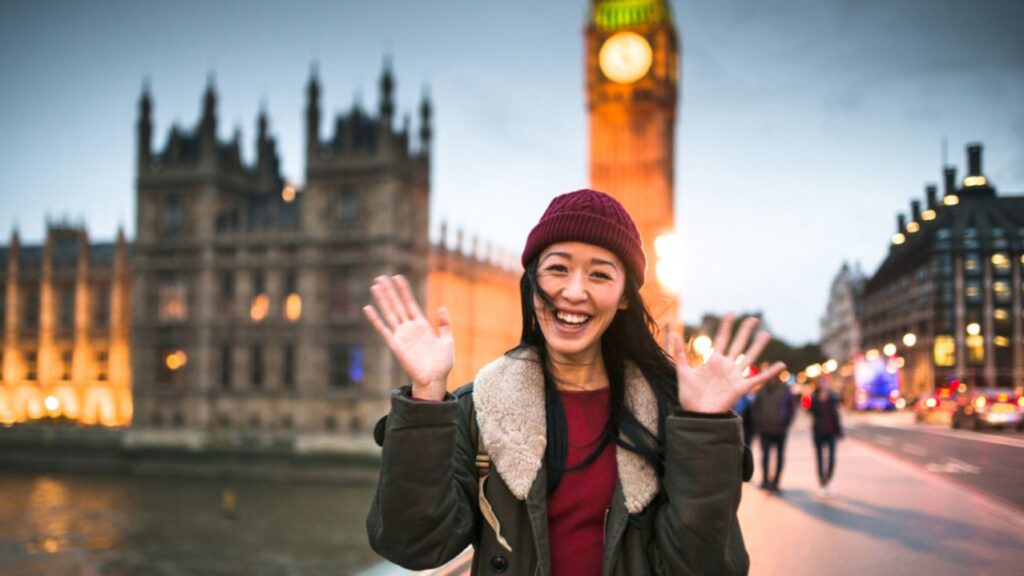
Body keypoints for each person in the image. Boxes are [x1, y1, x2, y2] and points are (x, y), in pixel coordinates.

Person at [363, 189, 785, 576]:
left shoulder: (670, 415)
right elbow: (413, 545)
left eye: (599, 275)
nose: (574, 291)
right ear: (531, 284)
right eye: (557, 269)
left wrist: (705, 427)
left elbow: (706, 568)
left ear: (624, 297)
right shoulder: (479, 409)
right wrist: (425, 400)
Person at [751, 374, 795, 492]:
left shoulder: (785, 390)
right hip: (765, 429)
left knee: (780, 456)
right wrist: (759, 423)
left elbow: (791, 408)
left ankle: (776, 481)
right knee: (765, 456)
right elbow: (755, 409)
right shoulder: (762, 390)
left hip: (780, 429)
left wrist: (786, 424)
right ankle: (765, 480)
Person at [808, 380, 843, 497]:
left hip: (831, 432)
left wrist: (839, 431)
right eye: (821, 384)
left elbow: (837, 414)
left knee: (832, 458)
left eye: (825, 384)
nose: (824, 386)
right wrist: (818, 400)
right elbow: (810, 411)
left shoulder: (832, 397)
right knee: (820, 459)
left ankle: (828, 481)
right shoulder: (814, 398)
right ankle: (822, 483)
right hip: (818, 432)